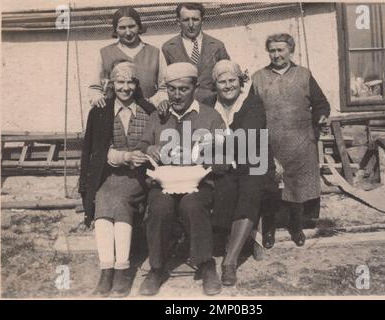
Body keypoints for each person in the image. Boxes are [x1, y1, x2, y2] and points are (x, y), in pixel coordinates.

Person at [137, 62, 224, 296]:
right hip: (164, 183)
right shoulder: (159, 116)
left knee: (192, 205)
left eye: (183, 89)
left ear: (195, 87)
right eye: (172, 89)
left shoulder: (210, 116)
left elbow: (225, 155)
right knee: (160, 207)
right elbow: (142, 145)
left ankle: (206, 265)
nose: (177, 95)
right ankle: (157, 268)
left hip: (199, 184)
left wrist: (201, 156)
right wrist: (150, 149)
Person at [79, 61, 153, 297]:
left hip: (138, 177)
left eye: (130, 81)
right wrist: (122, 156)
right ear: (111, 84)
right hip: (108, 176)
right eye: (120, 82)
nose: (125, 87)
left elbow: (156, 143)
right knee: (103, 198)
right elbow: (93, 151)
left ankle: (122, 270)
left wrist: (145, 155)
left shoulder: (148, 111)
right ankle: (106, 269)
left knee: (119, 200)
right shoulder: (100, 111)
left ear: (137, 84)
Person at [250, 33, 330, 247]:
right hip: (270, 143)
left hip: (300, 143)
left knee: (297, 187)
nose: (276, 54)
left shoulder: (304, 75)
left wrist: (321, 116)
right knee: (269, 188)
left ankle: (297, 227)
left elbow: (321, 103)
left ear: (290, 50)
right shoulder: (258, 78)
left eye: (280, 50)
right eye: (272, 50)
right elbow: (250, 110)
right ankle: (268, 231)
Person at [203, 60, 267, 286]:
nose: (228, 85)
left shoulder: (252, 104)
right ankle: (230, 243)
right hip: (223, 164)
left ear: (240, 81)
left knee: (250, 192)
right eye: (222, 81)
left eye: (232, 80)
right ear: (215, 84)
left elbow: (247, 137)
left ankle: (229, 262)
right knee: (225, 189)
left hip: (252, 162)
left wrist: (215, 142)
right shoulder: (208, 104)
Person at [89, 6, 167, 112]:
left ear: (139, 27)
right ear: (115, 30)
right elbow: (95, 88)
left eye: (132, 26)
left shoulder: (155, 53)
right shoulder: (104, 53)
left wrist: (155, 101)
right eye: (122, 28)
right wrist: (97, 98)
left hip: (148, 113)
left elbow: (165, 87)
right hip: (115, 116)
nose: (128, 32)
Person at [161, 3, 230, 103]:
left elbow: (227, 76)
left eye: (195, 19)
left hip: (213, 105)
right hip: (182, 106)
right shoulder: (168, 48)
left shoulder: (217, 46)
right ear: (178, 21)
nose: (191, 25)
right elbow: (164, 84)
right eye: (186, 20)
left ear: (202, 20)